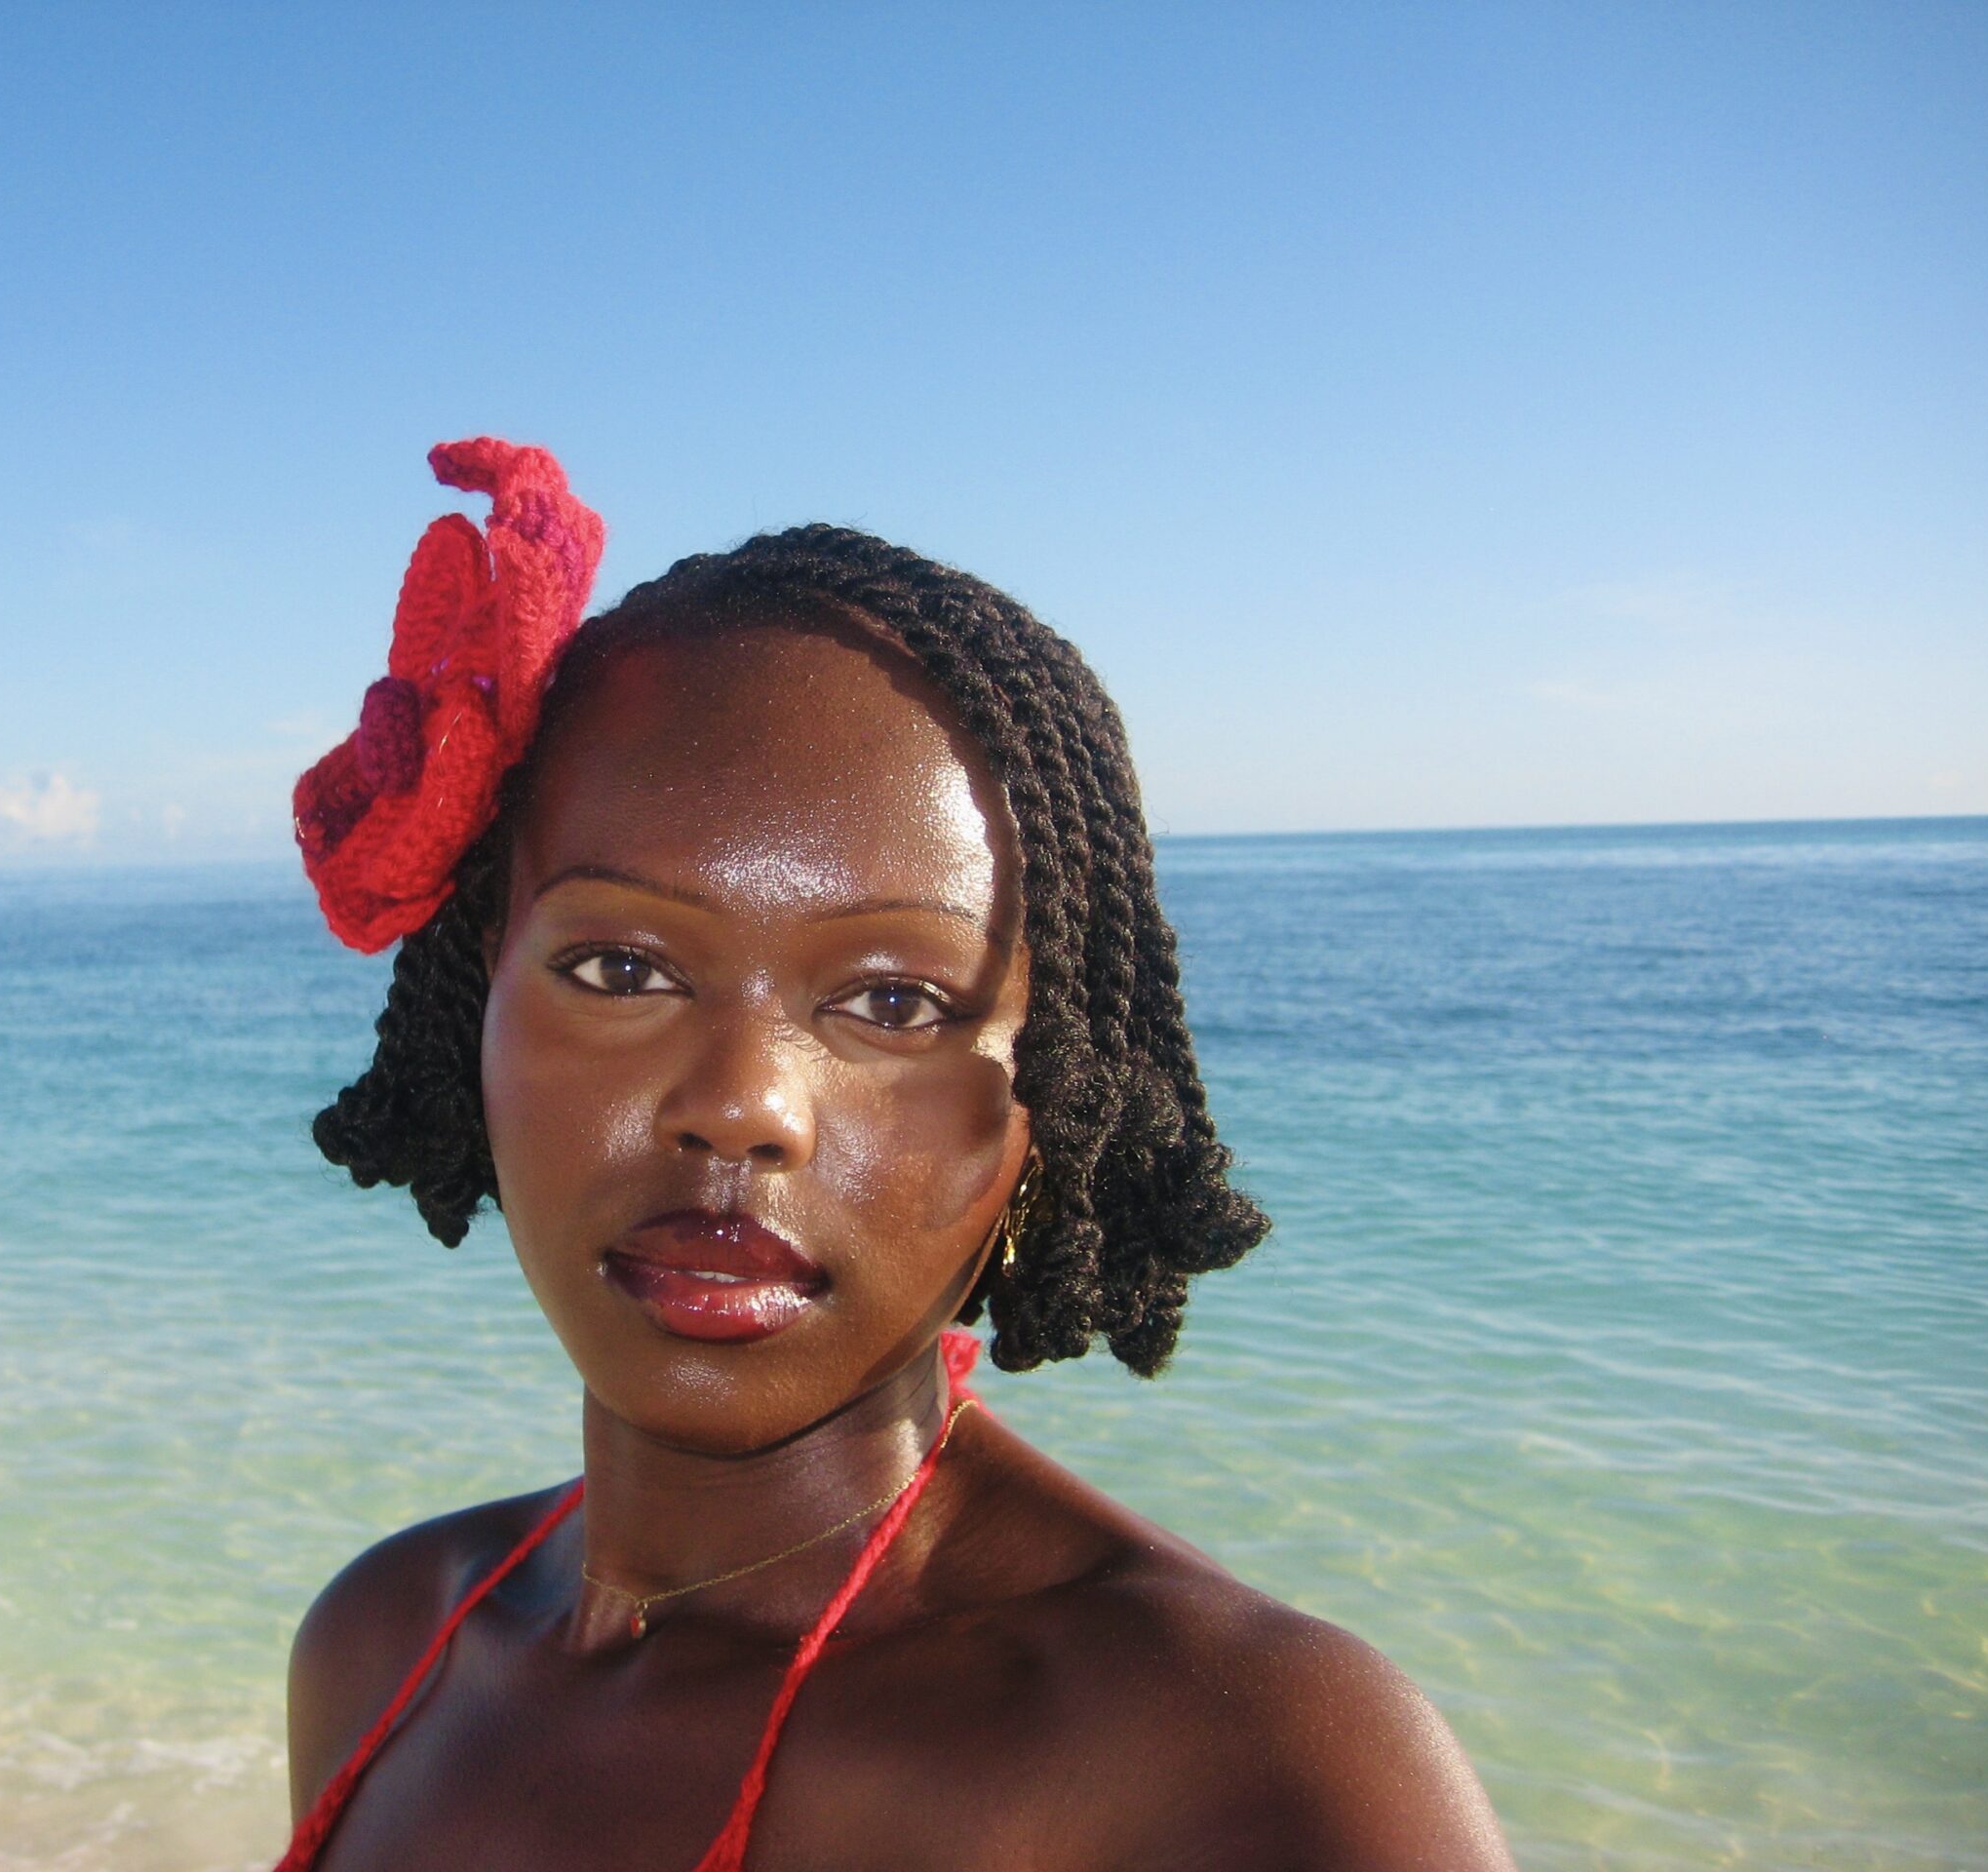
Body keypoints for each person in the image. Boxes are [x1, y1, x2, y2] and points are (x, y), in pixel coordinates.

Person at [278, 440, 1516, 1871]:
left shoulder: (1231, 1771)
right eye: (620, 968)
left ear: (1053, 1095)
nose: (742, 1105)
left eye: (894, 1002)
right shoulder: (385, 1644)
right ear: (472, 1009)